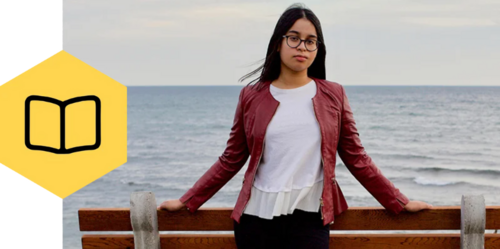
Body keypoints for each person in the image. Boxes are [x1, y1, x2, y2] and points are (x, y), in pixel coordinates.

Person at [159, 3, 432, 249]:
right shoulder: (251, 96)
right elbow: (231, 159)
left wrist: (399, 201)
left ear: (318, 49)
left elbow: (356, 157)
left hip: (310, 218)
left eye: (310, 41)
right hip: (256, 217)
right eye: (294, 38)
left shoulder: (333, 94)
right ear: (278, 43)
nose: (302, 47)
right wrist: (187, 200)